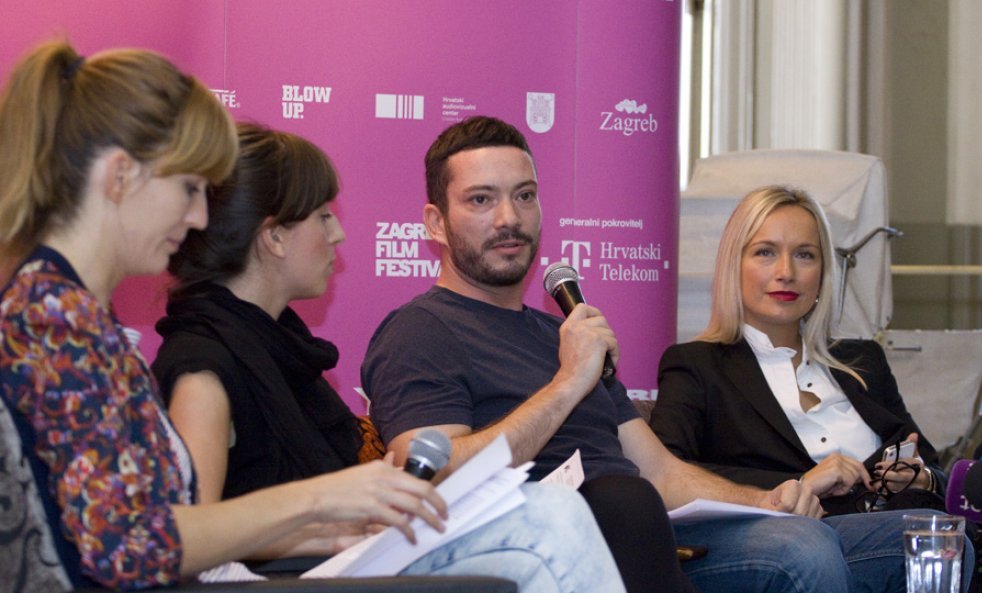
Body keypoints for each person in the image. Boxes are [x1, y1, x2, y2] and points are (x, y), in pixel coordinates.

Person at [361, 115, 918, 593]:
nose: (509, 217)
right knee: (801, 551)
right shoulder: (420, 331)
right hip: (556, 547)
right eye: (481, 200)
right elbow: (430, 478)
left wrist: (766, 499)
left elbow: (660, 470)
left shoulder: (564, 332)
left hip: (651, 528)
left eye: (524, 195)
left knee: (918, 539)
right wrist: (568, 382)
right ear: (435, 222)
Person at [0, 40, 465, 591]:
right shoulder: (54, 322)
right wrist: (317, 499)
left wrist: (327, 526)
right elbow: (129, 548)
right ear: (120, 176)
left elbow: (146, 529)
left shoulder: (70, 315)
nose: (199, 215)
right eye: (190, 187)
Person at [151, 121, 626, 593]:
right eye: (322, 215)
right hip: (277, 584)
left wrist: (352, 523)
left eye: (525, 196)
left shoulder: (281, 351)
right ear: (275, 237)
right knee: (549, 515)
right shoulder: (204, 362)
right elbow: (191, 541)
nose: (337, 234)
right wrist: (327, 508)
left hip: (339, 563)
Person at [650, 185, 948, 516]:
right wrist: (800, 482)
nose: (786, 273)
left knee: (939, 531)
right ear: (733, 266)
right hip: (794, 540)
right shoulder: (696, 365)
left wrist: (921, 480)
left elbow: (935, 468)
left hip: (899, 523)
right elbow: (667, 475)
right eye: (765, 252)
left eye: (804, 254)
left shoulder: (864, 361)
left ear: (822, 274)